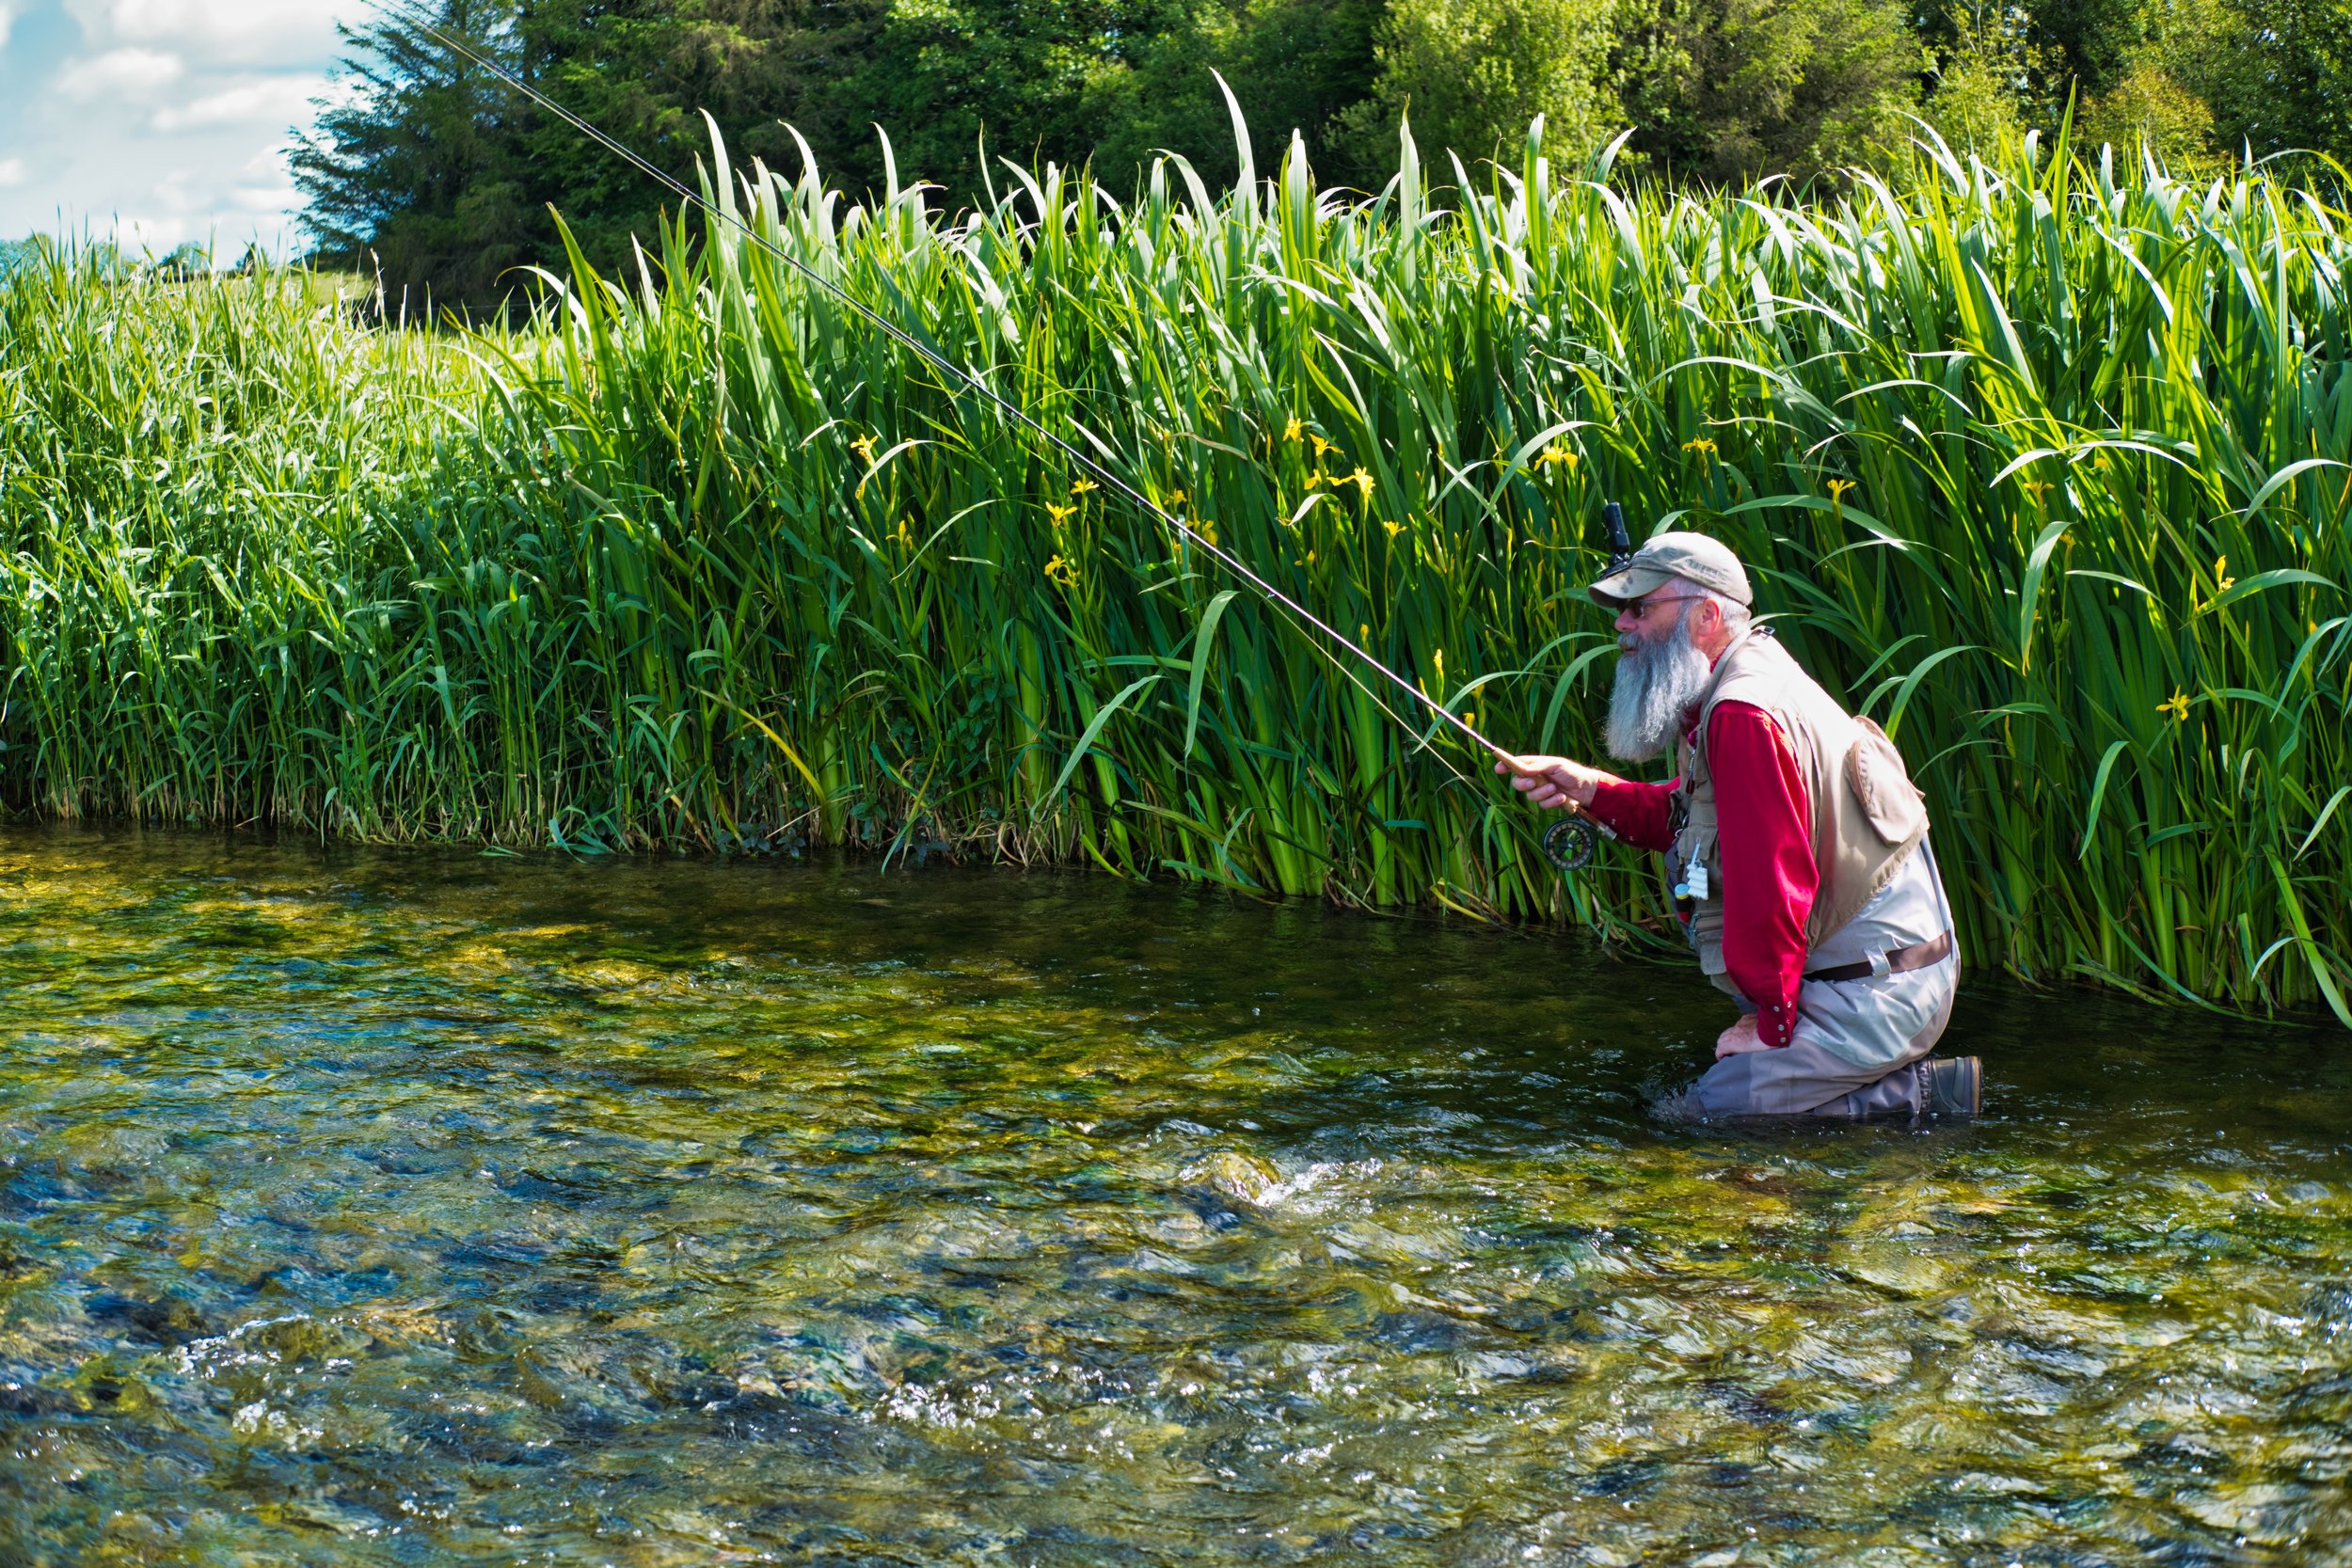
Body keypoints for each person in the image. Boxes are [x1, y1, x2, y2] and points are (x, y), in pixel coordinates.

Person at [1500, 532, 1980, 1120]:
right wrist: (1594, 791)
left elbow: (1772, 883)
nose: (1623, 625)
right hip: (1892, 971)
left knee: (1703, 1117)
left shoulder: (1743, 714)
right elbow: (1701, 816)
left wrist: (1771, 1027)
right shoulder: (1743, 678)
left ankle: (1923, 1097)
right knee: (1708, 1104)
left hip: (1882, 993)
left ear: (1705, 615)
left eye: (1640, 607)